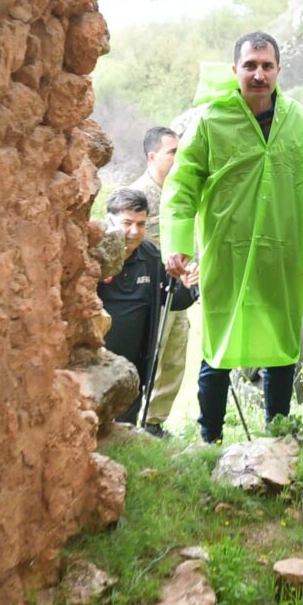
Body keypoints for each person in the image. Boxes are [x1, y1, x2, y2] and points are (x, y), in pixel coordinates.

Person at [164, 33, 303, 441]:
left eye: (267, 66)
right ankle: (210, 438)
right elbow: (181, 186)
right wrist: (177, 243)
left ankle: (278, 434)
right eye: (250, 65)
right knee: (218, 344)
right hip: (227, 251)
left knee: (282, 341)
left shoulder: (299, 119)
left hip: (283, 253)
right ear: (234, 69)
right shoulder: (211, 119)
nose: (259, 74)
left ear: (278, 70)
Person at [98, 190, 197, 428]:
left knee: (124, 429)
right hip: (98, 360)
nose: (134, 232)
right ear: (109, 220)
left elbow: (172, 301)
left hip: (135, 365)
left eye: (141, 224)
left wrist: (185, 287)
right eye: (127, 223)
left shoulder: (151, 256)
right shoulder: (95, 254)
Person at [118, 125, 189, 434]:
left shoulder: (182, 192)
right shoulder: (139, 196)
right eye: (172, 152)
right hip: (147, 291)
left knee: (174, 356)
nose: (179, 158)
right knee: (150, 357)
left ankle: (154, 423)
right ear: (152, 156)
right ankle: (128, 422)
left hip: (178, 289)